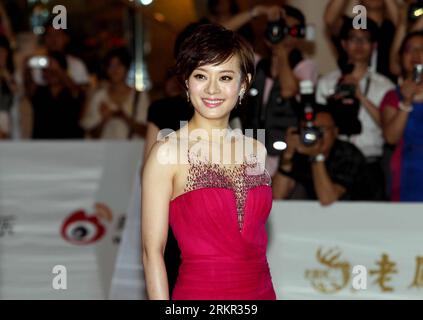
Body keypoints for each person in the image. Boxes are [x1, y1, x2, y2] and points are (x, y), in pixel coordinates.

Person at [141, 24, 276, 300]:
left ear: (244, 84)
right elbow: (151, 252)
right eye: (201, 75)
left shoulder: (255, 150)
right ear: (186, 82)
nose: (212, 89)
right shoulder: (168, 153)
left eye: (225, 77)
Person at [316, 18, 394, 200]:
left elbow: (391, 130)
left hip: (370, 163)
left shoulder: (385, 86)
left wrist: (360, 96)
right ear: (343, 44)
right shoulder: (327, 83)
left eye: (365, 39)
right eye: (353, 39)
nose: (359, 44)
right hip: (335, 163)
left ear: (374, 46)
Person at [243, 4, 318, 176]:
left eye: (293, 31)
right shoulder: (257, 64)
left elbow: (288, 90)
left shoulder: (305, 67)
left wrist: (280, 50)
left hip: (287, 155)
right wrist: (255, 12)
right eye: (283, 29)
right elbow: (218, 38)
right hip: (251, 153)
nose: (287, 36)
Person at [272, 109, 371, 205]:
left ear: (335, 132)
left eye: (321, 129)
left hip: (358, 215)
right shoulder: (300, 152)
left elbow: (328, 199)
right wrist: (287, 155)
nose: (315, 135)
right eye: (309, 130)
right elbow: (278, 195)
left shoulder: (348, 154)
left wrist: (316, 156)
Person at [381, 31, 423, 201]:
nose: (415, 54)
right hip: (407, 173)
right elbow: (391, 137)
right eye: (409, 50)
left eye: (421, 49)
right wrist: (406, 102)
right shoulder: (393, 96)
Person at [81, 47, 149, 139]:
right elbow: (91, 134)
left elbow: (147, 131)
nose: (114, 70)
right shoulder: (99, 96)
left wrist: (123, 117)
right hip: (104, 151)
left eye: (119, 65)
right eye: (110, 66)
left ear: (127, 68)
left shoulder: (139, 96)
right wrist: (104, 119)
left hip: (134, 151)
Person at [324, 0, 399, 81]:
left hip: (387, 89)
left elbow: (402, 23)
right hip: (349, 84)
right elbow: (330, 19)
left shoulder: (392, 29)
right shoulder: (352, 26)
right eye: (354, 39)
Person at [23, 51, 84, 139]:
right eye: (45, 71)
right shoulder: (39, 91)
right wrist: (27, 67)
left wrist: (58, 69)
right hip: (42, 144)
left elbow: (76, 90)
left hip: (69, 142)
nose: (49, 74)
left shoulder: (71, 91)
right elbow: (28, 84)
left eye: (52, 72)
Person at [0, 35, 16, 139]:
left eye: (2, 52)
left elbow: (18, 92)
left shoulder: (14, 74)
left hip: (10, 121)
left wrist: (5, 71)